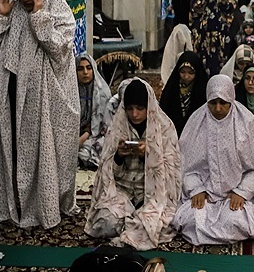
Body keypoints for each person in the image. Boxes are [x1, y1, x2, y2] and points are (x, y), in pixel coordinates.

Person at [0, 0, 79, 228]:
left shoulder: (61, 17)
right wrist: (1, 16)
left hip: (44, 101)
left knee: (42, 153)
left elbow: (59, 51)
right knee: (15, 149)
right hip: (14, 94)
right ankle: (17, 203)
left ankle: (43, 206)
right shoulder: (14, 16)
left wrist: (39, 17)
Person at [172, 75, 254, 245]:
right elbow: (186, 166)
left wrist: (243, 192)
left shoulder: (247, 123)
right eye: (213, 103)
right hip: (206, 194)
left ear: (231, 99)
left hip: (236, 193)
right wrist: (196, 189)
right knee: (191, 220)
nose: (218, 108)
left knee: (235, 221)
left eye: (223, 103)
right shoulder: (196, 123)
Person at [85, 79, 181, 249]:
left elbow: (171, 172)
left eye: (140, 108)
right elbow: (106, 175)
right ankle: (130, 224)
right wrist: (119, 156)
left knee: (157, 224)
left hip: (152, 195)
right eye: (129, 109)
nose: (134, 114)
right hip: (124, 191)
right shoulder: (118, 128)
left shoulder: (164, 128)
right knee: (105, 223)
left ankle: (133, 224)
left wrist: (148, 156)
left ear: (148, 107)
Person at [190, 0, 236, 76]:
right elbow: (195, 10)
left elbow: (230, 10)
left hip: (220, 35)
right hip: (202, 35)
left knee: (219, 65)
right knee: (201, 66)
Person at [160, 51, 209, 137]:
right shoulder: (171, 88)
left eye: (191, 73)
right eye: (183, 72)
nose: (186, 76)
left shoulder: (202, 89)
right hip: (172, 134)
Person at [76, 52, 111, 170]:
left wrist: (85, 136)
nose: (85, 72)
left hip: (97, 136)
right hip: (74, 135)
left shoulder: (103, 93)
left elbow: (105, 125)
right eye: (80, 69)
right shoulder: (70, 93)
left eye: (88, 68)